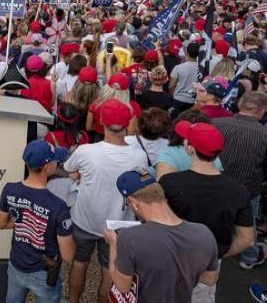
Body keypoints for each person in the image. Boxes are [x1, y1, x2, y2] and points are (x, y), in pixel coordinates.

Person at [159, 120, 254, 302]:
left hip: (171, 259)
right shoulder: (238, 190)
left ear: (190, 148)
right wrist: (216, 255)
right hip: (208, 265)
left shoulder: (170, 182)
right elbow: (246, 239)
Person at [64, 99, 148, 303]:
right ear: (128, 123)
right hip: (119, 224)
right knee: (109, 269)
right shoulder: (139, 156)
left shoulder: (86, 151)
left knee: (79, 263)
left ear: (101, 121)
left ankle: (73, 300)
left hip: (84, 221)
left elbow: (70, 171)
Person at [104, 170, 219, 302]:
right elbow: (210, 279)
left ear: (134, 202)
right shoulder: (204, 233)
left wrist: (113, 243)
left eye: (128, 204)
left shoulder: (129, 237)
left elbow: (122, 286)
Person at [0, 140, 75, 303]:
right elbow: (68, 255)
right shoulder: (58, 206)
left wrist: (23, 219)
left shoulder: (9, 189)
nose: (57, 163)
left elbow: (1, 223)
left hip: (16, 264)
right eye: (55, 161)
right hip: (43, 272)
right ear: (47, 168)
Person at [213, 91, 267, 269]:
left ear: (239, 105)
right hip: (248, 189)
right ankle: (249, 257)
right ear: (261, 111)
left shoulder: (217, 124)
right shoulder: (263, 134)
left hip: (217, 184)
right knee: (247, 223)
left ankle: (213, 245)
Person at [169, 42, 200, 117]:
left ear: (187, 52)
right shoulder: (201, 69)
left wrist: (174, 95)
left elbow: (171, 86)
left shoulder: (178, 67)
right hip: (192, 101)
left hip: (178, 100)